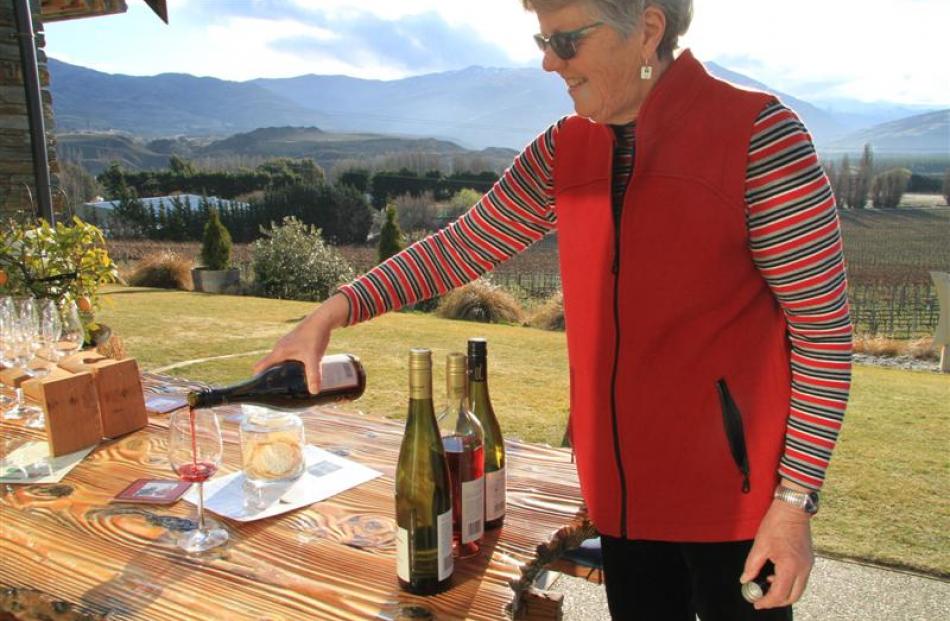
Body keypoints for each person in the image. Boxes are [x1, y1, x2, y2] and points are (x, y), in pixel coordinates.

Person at [255, 1, 853, 618]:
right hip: (619, 499)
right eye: (543, 39)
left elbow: (825, 337)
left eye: (566, 41)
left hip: (735, 504)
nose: (547, 61)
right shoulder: (565, 147)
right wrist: (332, 311)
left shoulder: (758, 136)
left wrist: (795, 501)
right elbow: (460, 247)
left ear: (648, 29)